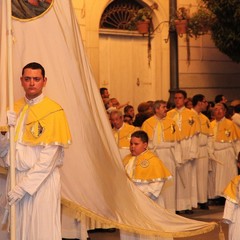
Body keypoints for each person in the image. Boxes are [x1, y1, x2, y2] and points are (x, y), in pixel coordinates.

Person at [0, 62, 71, 240]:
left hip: (40, 183)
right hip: (16, 178)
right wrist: (5, 133)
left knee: (41, 231)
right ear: (21, 81)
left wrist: (24, 188)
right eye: (27, 79)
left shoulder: (54, 111)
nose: (32, 83)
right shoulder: (13, 109)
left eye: (36, 79)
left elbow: (49, 159)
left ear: (44, 81)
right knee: (18, 231)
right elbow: (3, 152)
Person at [120, 130, 172, 240]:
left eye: (136, 144)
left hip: (148, 200)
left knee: (148, 230)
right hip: (130, 201)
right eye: (131, 144)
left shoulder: (153, 161)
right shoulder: (126, 159)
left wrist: (143, 196)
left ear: (145, 145)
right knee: (130, 228)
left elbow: (157, 184)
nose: (132, 147)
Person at [141, 100, 182, 212]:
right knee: (156, 183)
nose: (166, 109)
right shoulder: (147, 123)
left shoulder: (171, 122)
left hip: (168, 155)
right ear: (156, 109)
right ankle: (157, 210)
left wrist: (178, 159)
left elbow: (177, 142)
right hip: (154, 155)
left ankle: (170, 210)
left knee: (169, 183)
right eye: (163, 107)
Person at [167, 90, 199, 214]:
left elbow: (194, 135)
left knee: (187, 176)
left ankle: (186, 204)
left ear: (185, 99)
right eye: (175, 98)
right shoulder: (169, 114)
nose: (177, 100)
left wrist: (192, 152)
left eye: (180, 98)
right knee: (175, 176)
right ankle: (175, 204)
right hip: (175, 145)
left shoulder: (191, 114)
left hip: (187, 144)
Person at [209, 103, 239, 204]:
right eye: (216, 109)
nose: (218, 111)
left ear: (225, 111)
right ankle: (217, 196)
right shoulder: (211, 124)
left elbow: (236, 141)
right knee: (216, 176)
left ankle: (227, 196)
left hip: (227, 152)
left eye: (221, 109)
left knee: (228, 175)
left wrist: (238, 155)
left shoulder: (231, 124)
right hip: (215, 154)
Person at [191, 94, 214, 210]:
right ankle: (193, 201)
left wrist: (210, 151)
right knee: (194, 176)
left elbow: (210, 136)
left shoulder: (205, 118)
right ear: (199, 102)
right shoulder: (189, 116)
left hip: (204, 150)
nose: (206, 104)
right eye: (204, 102)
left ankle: (203, 199)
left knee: (203, 176)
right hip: (194, 149)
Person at [222, 166, 240, 240]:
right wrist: (228, 216)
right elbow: (230, 200)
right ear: (238, 164)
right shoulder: (236, 181)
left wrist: (228, 217)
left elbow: (230, 201)